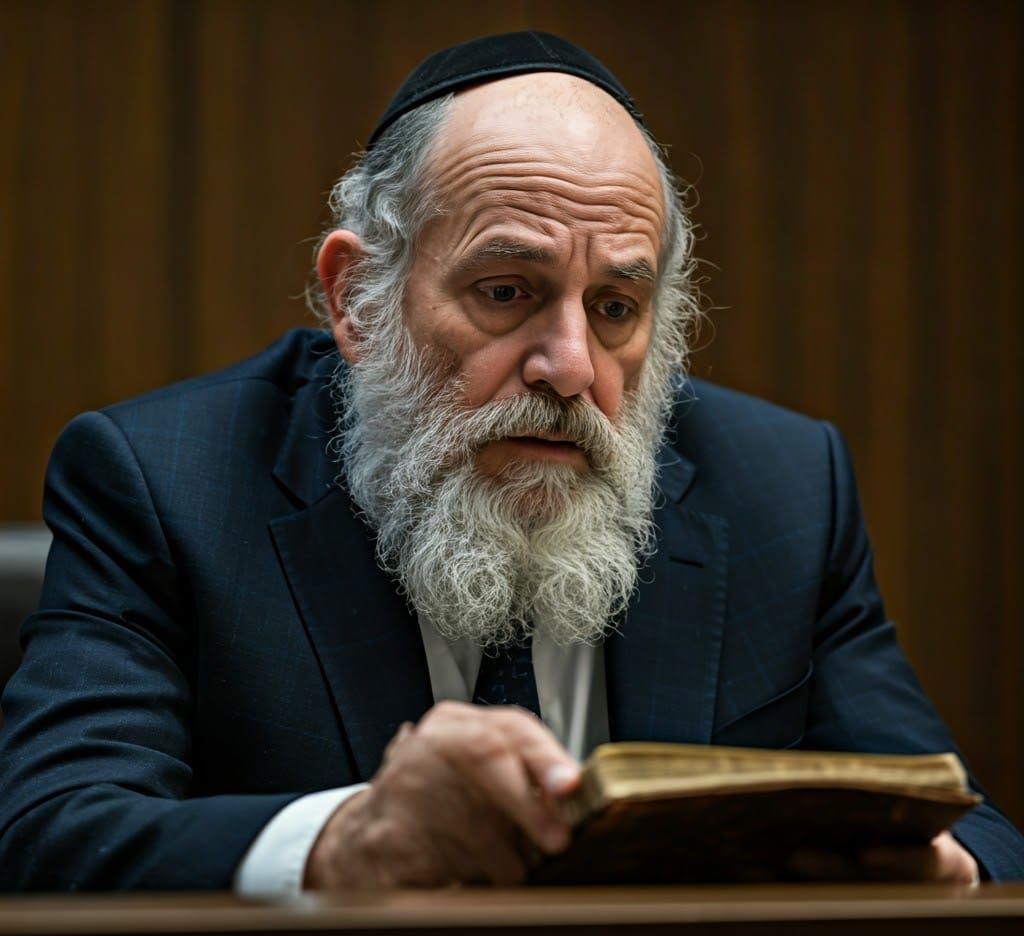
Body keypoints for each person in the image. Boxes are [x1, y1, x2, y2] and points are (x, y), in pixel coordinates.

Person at [1, 32, 1022, 892]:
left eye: (615, 307)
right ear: (357, 298)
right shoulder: (161, 478)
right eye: (504, 290)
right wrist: (347, 839)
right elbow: (49, 827)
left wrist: (931, 866)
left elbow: (974, 833)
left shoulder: (784, 487)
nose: (570, 367)